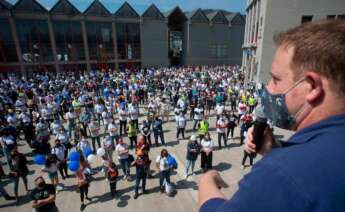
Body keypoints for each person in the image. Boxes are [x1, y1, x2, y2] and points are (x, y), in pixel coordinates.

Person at [198, 20, 345, 212]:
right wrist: (275, 150)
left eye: (276, 79)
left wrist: (207, 181)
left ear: (312, 87)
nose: (268, 88)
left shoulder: (283, 173)